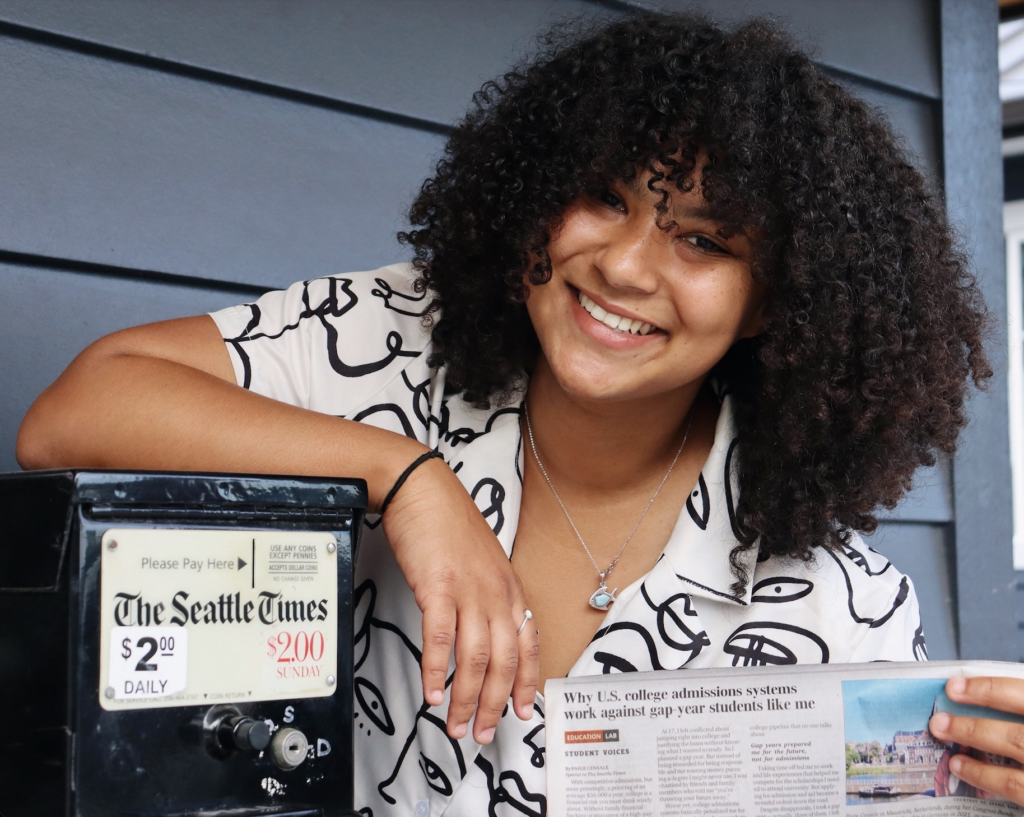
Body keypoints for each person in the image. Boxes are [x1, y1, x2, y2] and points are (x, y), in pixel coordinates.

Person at [15, 10, 1018, 814]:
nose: (625, 266)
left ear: (776, 302)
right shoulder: (397, 340)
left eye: (705, 242)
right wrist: (404, 476)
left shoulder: (838, 610)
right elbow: (74, 410)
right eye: (604, 197)